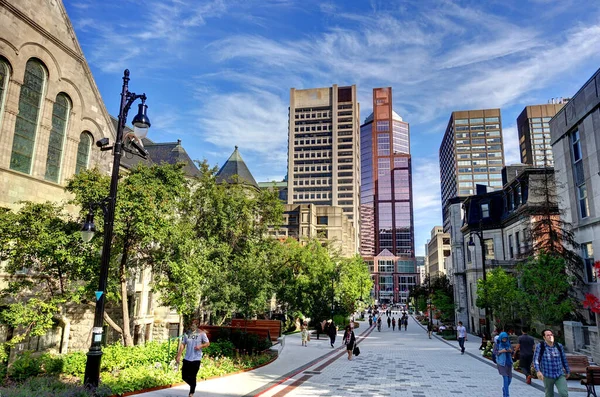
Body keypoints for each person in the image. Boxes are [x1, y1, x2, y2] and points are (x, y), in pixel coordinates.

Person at [176, 321, 210, 397]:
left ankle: (191, 393)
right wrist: (179, 355)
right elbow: (183, 344)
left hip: (196, 359)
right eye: (191, 325)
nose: (192, 327)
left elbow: (207, 343)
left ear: (197, 326)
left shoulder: (201, 334)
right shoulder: (187, 334)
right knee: (184, 376)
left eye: (194, 325)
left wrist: (200, 346)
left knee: (192, 376)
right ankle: (193, 385)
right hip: (187, 358)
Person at [534, 329, 570, 397]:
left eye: (551, 335)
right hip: (547, 375)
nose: (550, 336)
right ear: (544, 337)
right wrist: (538, 371)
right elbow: (536, 360)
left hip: (559, 374)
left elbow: (563, 359)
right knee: (549, 395)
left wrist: (567, 371)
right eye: (548, 335)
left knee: (564, 394)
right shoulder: (540, 346)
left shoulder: (559, 346)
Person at [494, 332, 513, 397]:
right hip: (501, 363)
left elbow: (512, 351)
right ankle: (506, 395)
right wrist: (501, 351)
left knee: (509, 379)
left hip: (509, 362)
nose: (504, 340)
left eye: (505, 339)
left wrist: (510, 350)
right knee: (505, 378)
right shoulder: (497, 344)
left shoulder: (508, 343)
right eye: (503, 339)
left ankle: (504, 389)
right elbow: (494, 352)